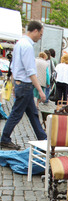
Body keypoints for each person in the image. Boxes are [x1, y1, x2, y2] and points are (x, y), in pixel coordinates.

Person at [0, 20, 47, 150]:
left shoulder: (20, 43)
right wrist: (41, 91)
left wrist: (15, 83)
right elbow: (30, 71)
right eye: (41, 34)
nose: (40, 37)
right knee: (17, 113)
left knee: (32, 113)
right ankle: (4, 138)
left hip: (22, 85)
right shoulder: (27, 46)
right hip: (25, 85)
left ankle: (43, 138)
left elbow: (14, 66)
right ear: (35, 31)